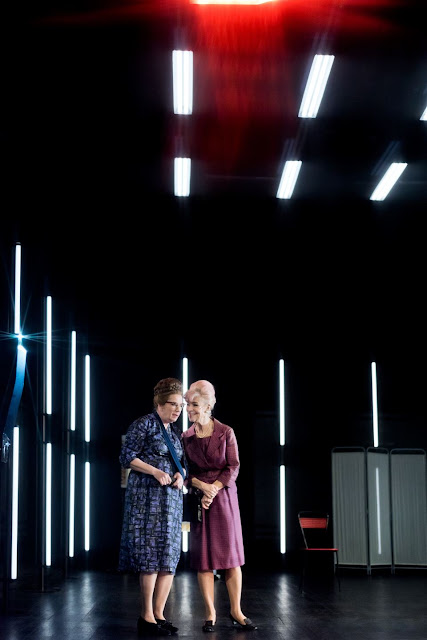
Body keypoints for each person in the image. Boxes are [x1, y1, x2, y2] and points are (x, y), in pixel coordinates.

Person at [182, 380, 257, 632]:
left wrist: (213, 489)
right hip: (199, 499)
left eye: (194, 404)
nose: (189, 409)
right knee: (204, 559)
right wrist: (202, 488)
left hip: (224, 497)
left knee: (231, 557)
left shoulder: (226, 432)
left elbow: (233, 466)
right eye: (188, 404)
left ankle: (236, 611)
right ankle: (210, 613)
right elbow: (184, 472)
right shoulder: (185, 437)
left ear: (208, 406)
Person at [118, 377, 186, 637]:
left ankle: (159, 614)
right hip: (147, 499)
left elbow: (181, 462)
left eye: (180, 405)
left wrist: (180, 474)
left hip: (171, 503)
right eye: (173, 404)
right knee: (150, 556)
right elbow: (126, 457)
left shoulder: (175, 432)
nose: (178, 409)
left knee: (168, 557)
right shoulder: (144, 424)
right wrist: (155, 471)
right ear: (160, 403)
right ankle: (146, 616)